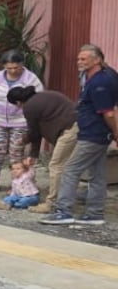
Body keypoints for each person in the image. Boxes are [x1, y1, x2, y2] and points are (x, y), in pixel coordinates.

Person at [42, 44, 118, 225]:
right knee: (97, 174)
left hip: (94, 133)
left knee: (70, 170)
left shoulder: (101, 82)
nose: (79, 62)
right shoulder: (92, 77)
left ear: (97, 59)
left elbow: (108, 112)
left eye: (83, 59)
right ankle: (95, 214)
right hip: (94, 131)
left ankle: (63, 211)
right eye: (79, 58)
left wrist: (116, 132)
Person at [0, 50, 41, 194]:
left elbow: (38, 100)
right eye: (9, 68)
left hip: (20, 122)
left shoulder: (31, 79)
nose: (13, 71)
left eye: (16, 67)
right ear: (4, 66)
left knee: (16, 154)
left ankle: (17, 185)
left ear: (22, 65)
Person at [7, 84, 77, 213]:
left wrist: (23, 140)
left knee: (56, 166)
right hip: (78, 126)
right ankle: (67, 199)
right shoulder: (43, 96)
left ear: (18, 102)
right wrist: (34, 155)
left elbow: (33, 133)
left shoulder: (29, 107)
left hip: (69, 130)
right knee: (72, 166)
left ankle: (52, 204)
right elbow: (37, 132)